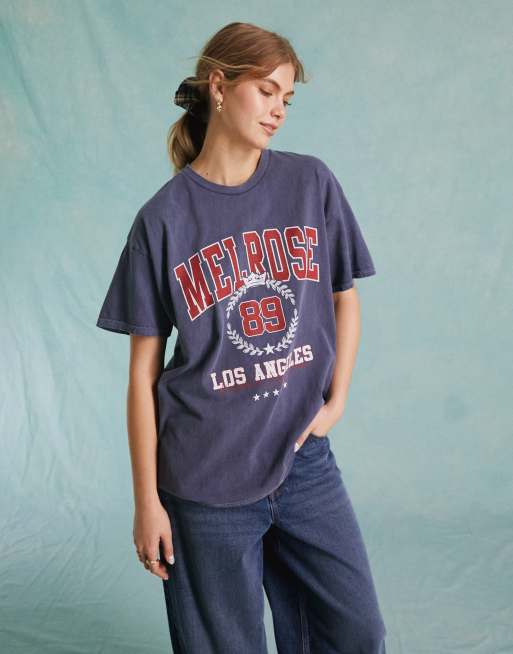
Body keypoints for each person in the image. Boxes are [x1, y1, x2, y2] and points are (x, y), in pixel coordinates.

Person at [96, 20, 387, 654]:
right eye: (266, 91)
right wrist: (147, 502)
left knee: (355, 632)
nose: (279, 109)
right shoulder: (163, 220)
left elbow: (345, 296)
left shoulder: (309, 184)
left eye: (288, 98)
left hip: (302, 462)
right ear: (220, 87)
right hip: (204, 479)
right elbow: (142, 378)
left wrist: (335, 401)